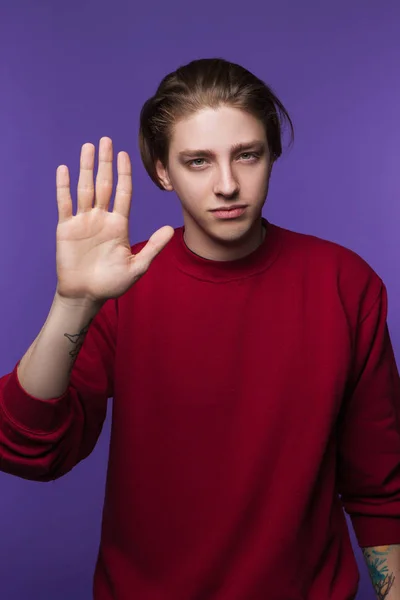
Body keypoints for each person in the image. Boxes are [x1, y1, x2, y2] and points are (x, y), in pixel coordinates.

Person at [0, 57, 399, 600]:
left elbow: (380, 487)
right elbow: (29, 452)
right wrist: (74, 303)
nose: (228, 185)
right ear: (163, 171)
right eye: (197, 162)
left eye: (247, 155)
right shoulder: (122, 285)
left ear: (272, 155)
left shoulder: (345, 284)